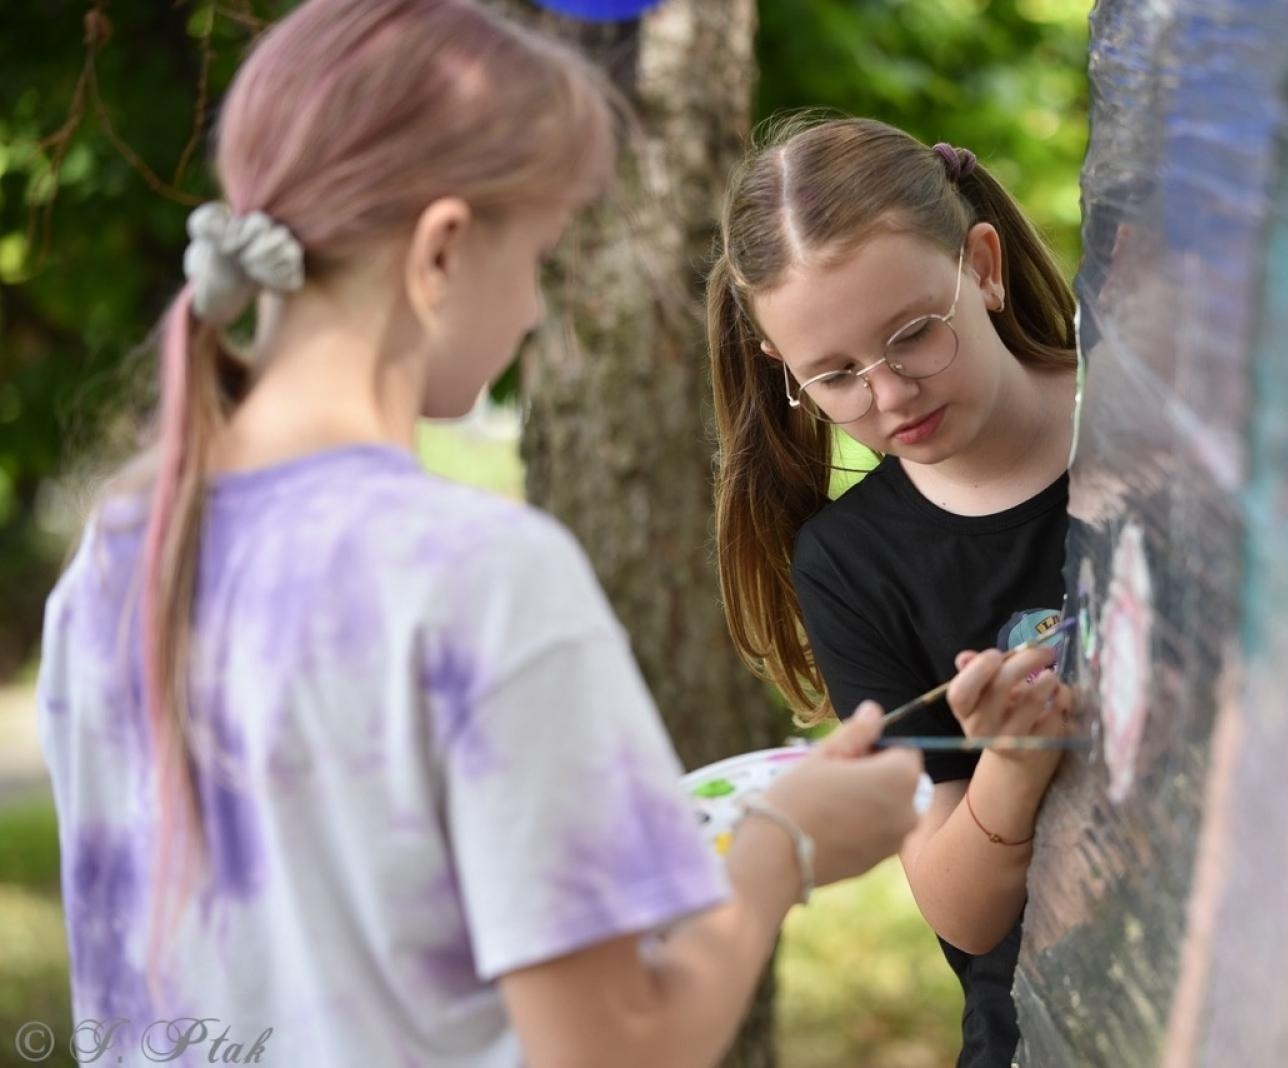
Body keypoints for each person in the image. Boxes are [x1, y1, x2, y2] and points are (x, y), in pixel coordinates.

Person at [35, 5, 922, 1065]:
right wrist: (781, 846)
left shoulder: (117, 560)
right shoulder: (478, 577)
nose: (538, 312)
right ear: (443, 250)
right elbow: (613, 1051)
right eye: (541, 254)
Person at [707, 116, 1081, 1066]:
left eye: (914, 334)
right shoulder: (850, 562)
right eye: (833, 376)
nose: (889, 395)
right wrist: (1012, 763)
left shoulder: (1157, 416)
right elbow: (957, 909)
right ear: (783, 371)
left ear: (982, 267)